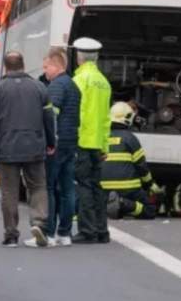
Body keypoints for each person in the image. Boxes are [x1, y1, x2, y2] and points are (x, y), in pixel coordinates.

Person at [0, 51, 55, 248]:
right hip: (35, 146)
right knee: (37, 187)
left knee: (10, 192)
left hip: (6, 147)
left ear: (5, 67)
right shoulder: (39, 87)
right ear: (23, 65)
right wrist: (51, 142)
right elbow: (49, 118)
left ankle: (11, 234)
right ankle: (39, 223)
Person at [28, 48, 80, 247]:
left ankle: (48, 233)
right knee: (67, 189)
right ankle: (64, 233)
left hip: (56, 144)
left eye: (46, 67)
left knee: (48, 186)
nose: (45, 71)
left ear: (56, 66)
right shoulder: (73, 86)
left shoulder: (56, 86)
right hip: (70, 142)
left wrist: (49, 140)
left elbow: (52, 115)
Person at [71, 37, 111, 244]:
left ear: (79, 57)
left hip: (82, 142)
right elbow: (106, 118)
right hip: (97, 144)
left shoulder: (79, 80)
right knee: (97, 187)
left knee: (83, 187)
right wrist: (104, 145)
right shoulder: (103, 82)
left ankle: (87, 231)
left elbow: (75, 113)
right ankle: (102, 230)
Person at [102, 102, 156, 220]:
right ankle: (123, 203)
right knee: (150, 210)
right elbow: (141, 166)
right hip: (128, 189)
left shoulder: (102, 136)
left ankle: (110, 205)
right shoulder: (130, 138)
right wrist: (149, 185)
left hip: (103, 188)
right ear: (128, 118)